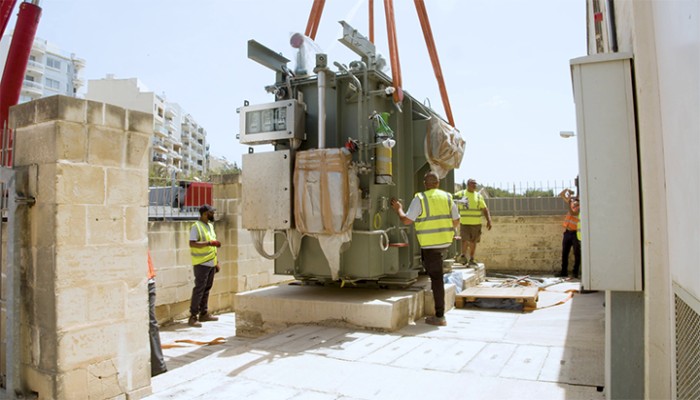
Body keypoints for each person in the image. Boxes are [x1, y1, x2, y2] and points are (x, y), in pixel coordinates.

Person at [391, 171, 460, 326]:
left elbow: (407, 220)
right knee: (435, 275)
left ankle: (440, 316)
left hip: (430, 245)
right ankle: (439, 313)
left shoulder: (420, 198)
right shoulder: (448, 197)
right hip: (444, 243)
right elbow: (456, 221)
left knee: (436, 279)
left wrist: (398, 209)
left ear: (424, 184)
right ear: (438, 183)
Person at [188, 204, 222, 327]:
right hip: (201, 263)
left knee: (207, 289)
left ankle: (204, 314)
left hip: (211, 262)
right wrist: (209, 243)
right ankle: (193, 317)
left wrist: (216, 262)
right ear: (204, 214)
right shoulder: (196, 227)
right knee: (199, 289)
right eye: (211, 212)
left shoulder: (210, 226)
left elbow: (213, 247)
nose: (213, 214)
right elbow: (192, 244)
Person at [453, 178, 492, 266]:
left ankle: (471, 258)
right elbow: (452, 201)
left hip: (476, 224)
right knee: (464, 240)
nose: (475, 185)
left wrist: (489, 220)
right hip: (465, 223)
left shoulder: (478, 196)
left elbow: (485, 209)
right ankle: (463, 256)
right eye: (473, 184)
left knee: (473, 242)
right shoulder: (461, 194)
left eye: (475, 184)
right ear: (468, 184)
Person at [147, 250, 167, 376]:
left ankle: (158, 366)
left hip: (147, 282)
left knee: (151, 323)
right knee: (151, 323)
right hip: (147, 281)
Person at [558, 188, 581, 278]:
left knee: (577, 254)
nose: (575, 202)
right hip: (567, 233)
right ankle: (564, 272)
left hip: (575, 234)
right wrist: (567, 190)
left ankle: (575, 273)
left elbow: (573, 213)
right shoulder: (572, 203)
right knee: (565, 253)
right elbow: (561, 194)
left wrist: (570, 201)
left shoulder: (580, 208)